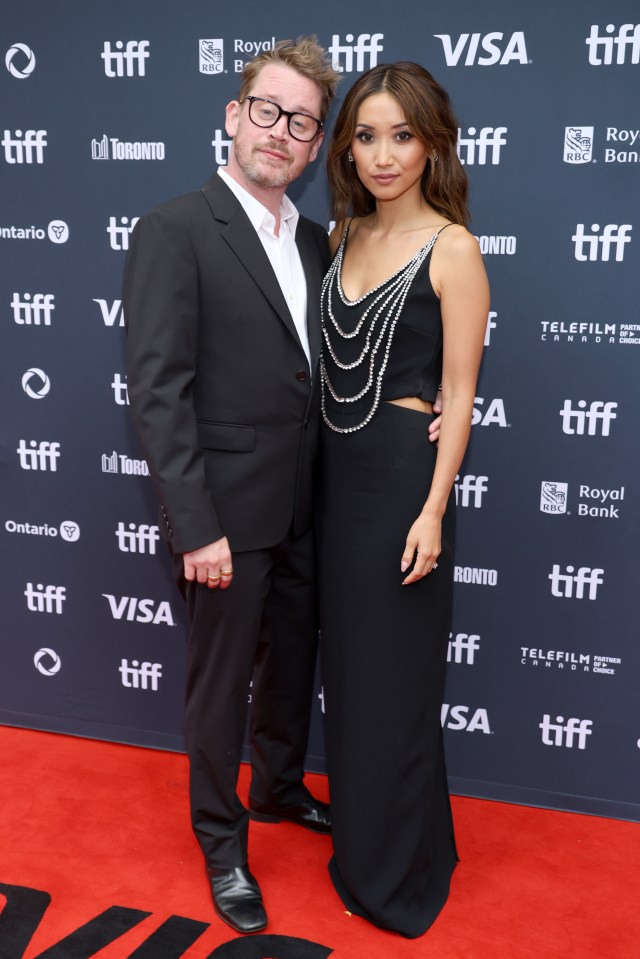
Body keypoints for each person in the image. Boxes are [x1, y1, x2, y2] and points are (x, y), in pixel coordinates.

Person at [123, 38, 340, 935]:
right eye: (267, 110)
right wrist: (195, 525)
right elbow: (159, 390)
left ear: (317, 144)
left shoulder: (320, 240)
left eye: (300, 121)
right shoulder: (176, 228)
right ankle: (222, 841)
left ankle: (281, 788)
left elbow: (329, 375)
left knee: (291, 665)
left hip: (304, 505)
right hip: (224, 519)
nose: (280, 133)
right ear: (232, 113)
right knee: (221, 688)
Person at [319, 62, 489, 938]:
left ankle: (399, 872)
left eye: (402, 135)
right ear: (348, 146)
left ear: (432, 142)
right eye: (366, 135)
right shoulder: (341, 233)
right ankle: (363, 845)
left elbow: (459, 392)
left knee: (394, 682)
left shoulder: (453, 247)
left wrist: (432, 508)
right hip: (332, 481)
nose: (383, 154)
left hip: (399, 489)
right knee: (348, 681)